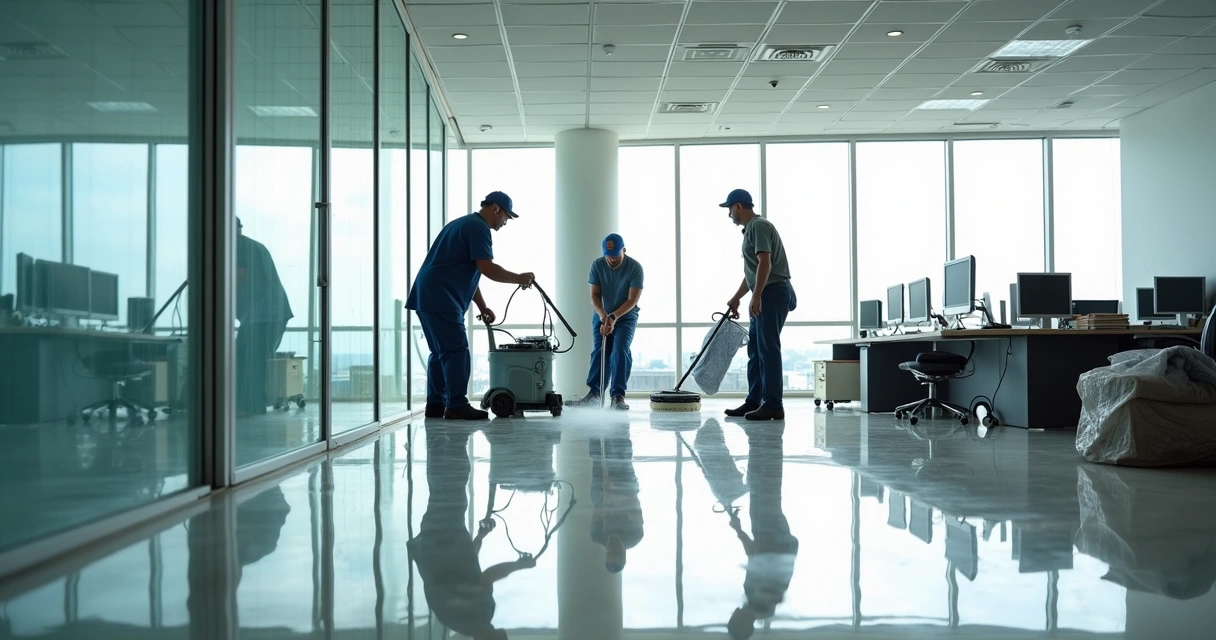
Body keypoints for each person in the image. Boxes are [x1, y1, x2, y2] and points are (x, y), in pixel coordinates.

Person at [406, 192, 535, 420]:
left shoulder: (462, 223)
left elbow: (470, 272)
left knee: (440, 353)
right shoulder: (478, 228)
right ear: (496, 209)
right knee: (456, 351)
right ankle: (457, 405)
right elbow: (487, 268)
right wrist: (519, 278)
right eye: (506, 216)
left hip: (427, 295)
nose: (506, 222)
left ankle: (435, 404)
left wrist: (482, 307)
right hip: (442, 296)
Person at [408, 424, 534, 640]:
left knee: (453, 483)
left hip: (443, 539)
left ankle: (451, 438)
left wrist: (518, 565)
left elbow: (486, 577)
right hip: (436, 543)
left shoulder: (478, 616)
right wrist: (480, 537)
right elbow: (469, 570)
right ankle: (439, 441)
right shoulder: (461, 621)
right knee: (441, 489)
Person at [719, 189, 796, 421]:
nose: (729, 214)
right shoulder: (750, 230)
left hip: (773, 292)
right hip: (765, 292)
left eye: (729, 209)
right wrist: (737, 297)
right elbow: (752, 272)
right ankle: (755, 400)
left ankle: (773, 404)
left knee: (768, 348)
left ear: (738, 206)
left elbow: (765, 263)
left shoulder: (759, 226)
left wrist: (757, 296)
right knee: (755, 350)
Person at [726, 425, 799, 640]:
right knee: (767, 490)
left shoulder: (753, 600)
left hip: (769, 539)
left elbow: (754, 556)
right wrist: (740, 531)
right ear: (742, 623)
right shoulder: (763, 603)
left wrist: (739, 530)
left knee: (758, 490)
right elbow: (759, 555)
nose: (733, 613)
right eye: (734, 619)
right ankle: (771, 442)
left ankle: (760, 442)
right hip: (775, 541)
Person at [568, 233, 643, 410]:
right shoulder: (597, 265)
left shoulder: (635, 268)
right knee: (600, 351)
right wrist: (603, 315)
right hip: (602, 314)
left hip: (625, 316)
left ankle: (617, 396)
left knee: (620, 349)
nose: (612, 259)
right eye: (608, 255)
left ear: (624, 250)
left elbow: (632, 300)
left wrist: (614, 317)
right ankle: (594, 394)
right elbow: (594, 295)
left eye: (616, 255)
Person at [235, 217, 293, 416]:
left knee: (249, 359)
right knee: (252, 358)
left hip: (264, 314)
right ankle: (251, 404)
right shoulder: (249, 246)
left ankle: (250, 405)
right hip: (268, 313)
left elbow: (237, 280)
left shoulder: (241, 248)